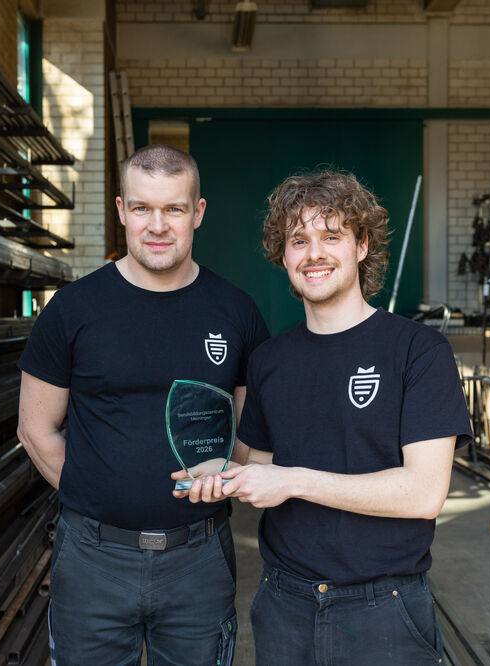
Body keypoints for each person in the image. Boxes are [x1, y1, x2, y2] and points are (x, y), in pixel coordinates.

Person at [177, 170, 473, 665]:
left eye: (332, 236)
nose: (314, 253)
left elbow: (424, 494)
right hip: (284, 605)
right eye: (298, 239)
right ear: (284, 255)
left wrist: (293, 480)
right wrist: (221, 475)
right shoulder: (269, 360)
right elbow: (262, 467)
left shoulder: (418, 351)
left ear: (361, 247)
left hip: (385, 609)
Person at [17, 144, 269, 666]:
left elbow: (253, 431)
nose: (157, 225)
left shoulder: (237, 312)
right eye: (141, 208)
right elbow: (35, 430)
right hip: (92, 559)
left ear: (197, 213)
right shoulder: (72, 310)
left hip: (199, 556)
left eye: (173, 209)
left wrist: (228, 474)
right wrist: (101, 497)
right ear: (120, 211)